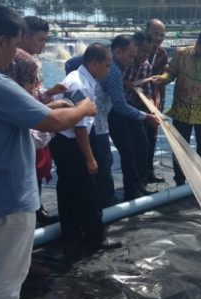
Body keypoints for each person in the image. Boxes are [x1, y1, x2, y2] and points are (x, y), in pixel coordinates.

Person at [0, 5, 96, 299]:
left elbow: (27, 113)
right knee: (7, 283)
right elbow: (53, 123)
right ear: (0, 42)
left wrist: (52, 108)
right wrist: (83, 109)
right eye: (14, 45)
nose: (14, 54)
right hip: (8, 199)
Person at [65, 35, 159, 204]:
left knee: (100, 159)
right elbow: (120, 106)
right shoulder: (113, 71)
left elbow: (70, 63)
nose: (132, 60)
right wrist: (146, 117)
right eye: (130, 56)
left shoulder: (91, 65)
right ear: (117, 52)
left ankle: (100, 196)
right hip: (96, 121)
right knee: (104, 159)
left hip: (91, 118)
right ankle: (107, 200)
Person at [50, 43, 121, 259]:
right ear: (93, 63)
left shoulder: (78, 78)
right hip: (70, 143)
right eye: (106, 66)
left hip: (62, 140)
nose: (108, 71)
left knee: (67, 190)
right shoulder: (80, 85)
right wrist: (90, 159)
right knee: (88, 192)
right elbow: (80, 127)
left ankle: (71, 236)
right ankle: (93, 238)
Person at [151, 30, 201, 187]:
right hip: (182, 108)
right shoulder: (182, 54)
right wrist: (162, 79)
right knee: (180, 147)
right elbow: (170, 73)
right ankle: (180, 180)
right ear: (197, 44)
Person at [18, 15, 67, 223]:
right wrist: (51, 105)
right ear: (26, 37)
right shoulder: (17, 64)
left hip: (38, 125)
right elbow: (23, 101)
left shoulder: (33, 62)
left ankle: (37, 210)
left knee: (37, 171)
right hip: (28, 126)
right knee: (28, 171)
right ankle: (31, 212)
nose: (44, 44)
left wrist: (51, 92)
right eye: (40, 39)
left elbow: (36, 94)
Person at [122, 32, 155, 189]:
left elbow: (147, 92)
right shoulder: (122, 63)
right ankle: (131, 186)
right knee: (128, 148)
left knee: (143, 144)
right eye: (142, 51)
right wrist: (124, 84)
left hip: (134, 109)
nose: (145, 55)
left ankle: (142, 180)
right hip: (118, 110)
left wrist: (153, 110)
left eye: (148, 52)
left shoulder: (146, 66)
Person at [145, 19, 168, 183]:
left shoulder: (161, 55)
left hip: (151, 102)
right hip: (133, 103)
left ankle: (148, 173)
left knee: (151, 138)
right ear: (146, 32)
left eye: (162, 35)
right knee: (137, 141)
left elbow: (161, 82)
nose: (158, 38)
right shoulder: (136, 49)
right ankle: (137, 178)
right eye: (155, 34)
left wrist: (161, 104)